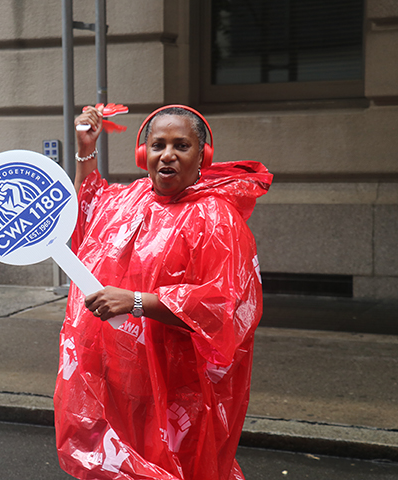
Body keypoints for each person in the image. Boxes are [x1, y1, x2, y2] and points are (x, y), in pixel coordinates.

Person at [53, 104, 273, 480]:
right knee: (124, 461)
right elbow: (86, 215)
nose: (167, 155)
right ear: (144, 154)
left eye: (181, 145)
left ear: (202, 156)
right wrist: (86, 149)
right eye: (158, 145)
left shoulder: (216, 219)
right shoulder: (128, 200)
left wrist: (137, 301)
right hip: (123, 374)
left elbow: (223, 306)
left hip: (179, 386)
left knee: (179, 465)